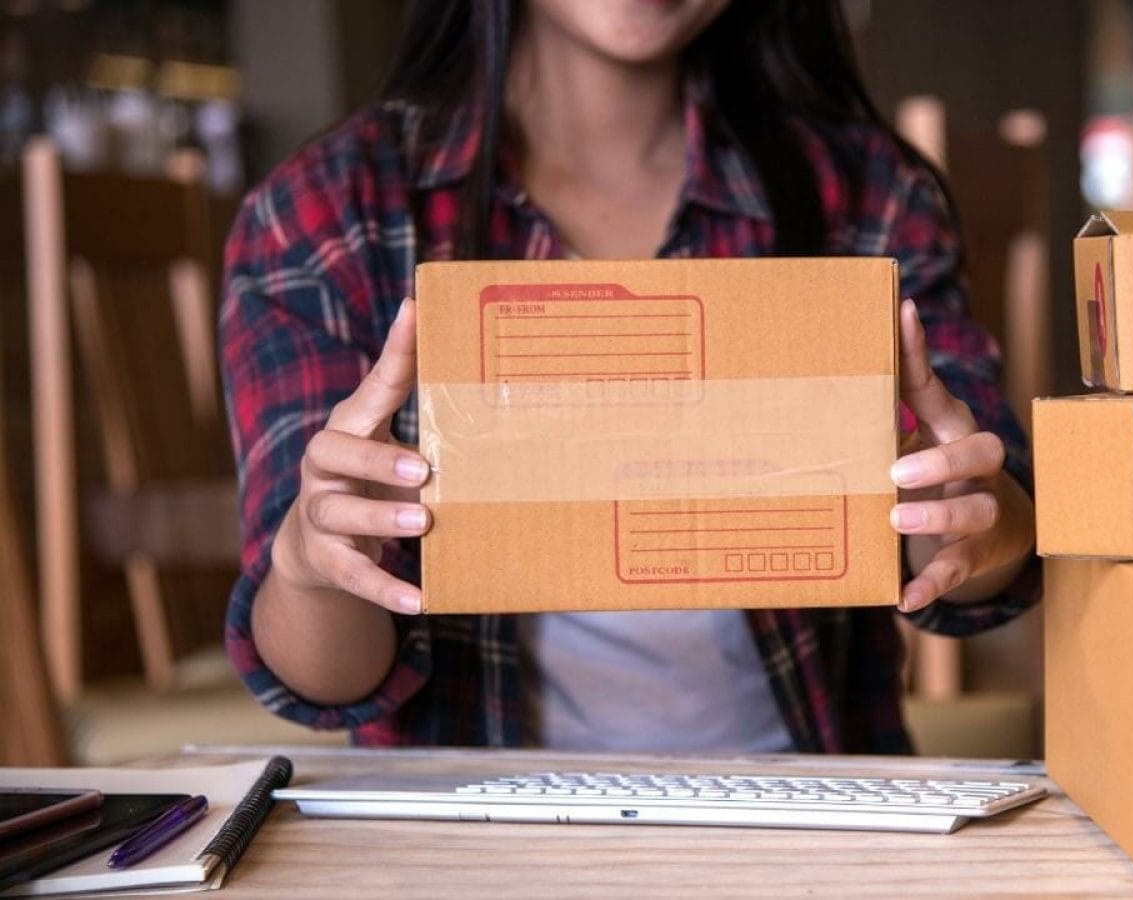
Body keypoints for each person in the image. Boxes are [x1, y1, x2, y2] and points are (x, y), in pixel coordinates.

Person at [221, 0, 1039, 752]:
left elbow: (998, 553)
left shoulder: (867, 194)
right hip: (472, 829)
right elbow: (320, 678)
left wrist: (969, 515)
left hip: (808, 805)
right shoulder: (327, 209)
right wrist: (311, 558)